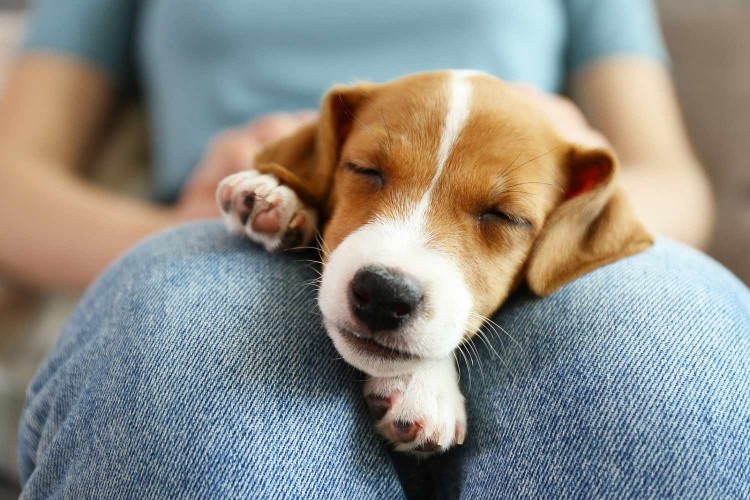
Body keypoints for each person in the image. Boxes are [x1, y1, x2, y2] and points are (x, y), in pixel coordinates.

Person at [3, 0, 748, 497]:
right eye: (362, 167)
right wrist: (184, 225)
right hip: (228, 231)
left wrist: (562, 187)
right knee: (188, 384)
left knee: (664, 367)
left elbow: (675, 182)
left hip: (541, 248)